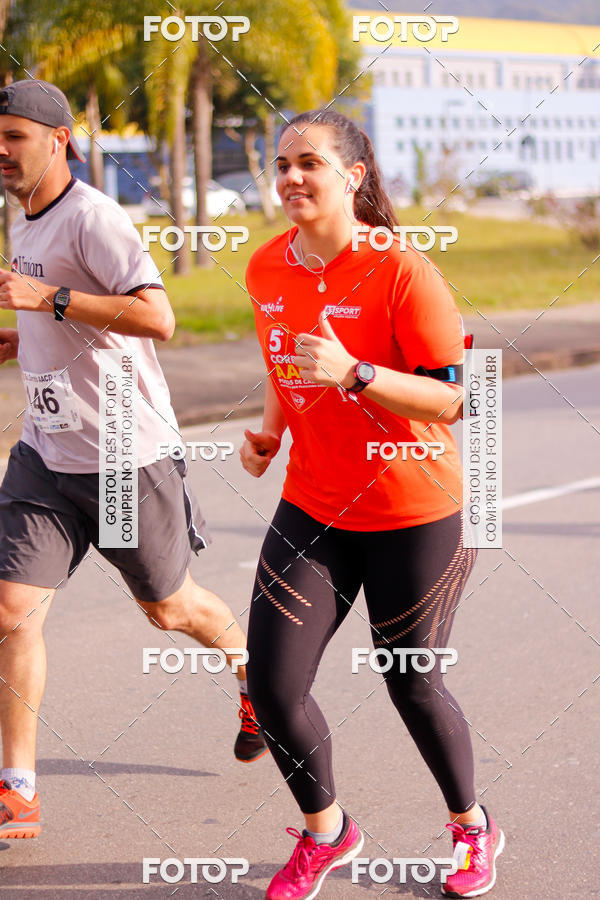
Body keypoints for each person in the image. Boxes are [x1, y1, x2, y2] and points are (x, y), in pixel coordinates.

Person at [241, 108, 504, 899]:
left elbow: (454, 402)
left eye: (309, 163)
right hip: (315, 506)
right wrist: (268, 433)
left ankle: (473, 827)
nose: (290, 177)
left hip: (413, 511)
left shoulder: (402, 271)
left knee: (411, 680)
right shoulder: (262, 269)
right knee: (273, 686)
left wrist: (355, 373)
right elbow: (285, 362)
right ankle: (329, 832)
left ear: (352, 176)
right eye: (282, 163)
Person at [0, 79, 266, 839]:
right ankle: (18, 788)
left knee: (167, 609)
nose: (3, 151)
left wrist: (45, 301)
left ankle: (251, 672)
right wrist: (29, 337)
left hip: (121, 454)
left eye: (16, 137)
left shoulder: (95, 217)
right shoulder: (27, 216)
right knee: (11, 611)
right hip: (47, 454)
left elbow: (158, 317)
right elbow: (66, 311)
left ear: (61, 141)